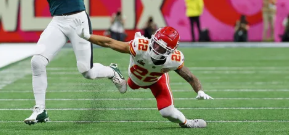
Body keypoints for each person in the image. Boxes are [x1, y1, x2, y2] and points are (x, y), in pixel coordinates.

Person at [24, 0, 126, 125]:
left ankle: (112, 72)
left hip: (78, 20)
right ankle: (40, 110)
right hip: (58, 22)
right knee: (37, 62)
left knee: (86, 71)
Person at [73, 19, 212, 128]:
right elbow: (110, 42)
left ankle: (187, 123)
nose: (155, 49)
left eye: (161, 48)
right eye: (155, 43)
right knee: (124, 88)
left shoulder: (174, 60)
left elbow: (190, 77)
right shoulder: (140, 46)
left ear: (170, 51)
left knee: (167, 112)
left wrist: (199, 91)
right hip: (135, 77)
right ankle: (113, 73)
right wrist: (87, 36)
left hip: (156, 81)